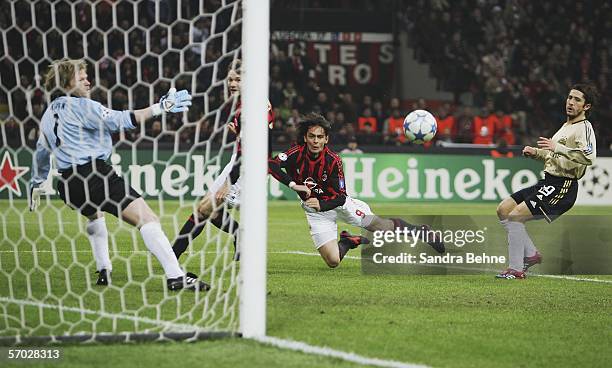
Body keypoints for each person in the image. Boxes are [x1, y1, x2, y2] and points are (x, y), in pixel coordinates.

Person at [29, 58, 209, 291]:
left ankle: (104, 269)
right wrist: (160, 107)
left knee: (95, 215)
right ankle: (175, 277)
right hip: (94, 175)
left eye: (87, 76)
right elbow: (120, 120)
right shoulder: (83, 106)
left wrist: (36, 182)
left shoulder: (47, 115)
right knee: (148, 219)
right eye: (81, 77)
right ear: (66, 83)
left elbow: (41, 153)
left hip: (67, 186)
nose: (88, 80)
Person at [269, 113, 445, 268]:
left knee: (381, 227)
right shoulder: (296, 153)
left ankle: (420, 231)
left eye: (320, 137)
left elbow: (340, 197)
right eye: (312, 136)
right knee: (333, 262)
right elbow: (271, 164)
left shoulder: (333, 160)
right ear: (306, 138)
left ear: (326, 139)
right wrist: (294, 185)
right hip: (315, 213)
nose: (316, 141)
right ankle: (347, 241)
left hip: (340, 206)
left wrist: (321, 204)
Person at [172, 59, 274, 261]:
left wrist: (228, 182)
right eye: (230, 80)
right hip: (239, 160)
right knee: (204, 209)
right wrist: (237, 134)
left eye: (238, 79)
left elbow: (258, 148)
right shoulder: (243, 103)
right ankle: (174, 254)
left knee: (207, 208)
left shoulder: (254, 105)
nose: (232, 84)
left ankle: (173, 254)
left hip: (249, 168)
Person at [495, 84, 598, 279]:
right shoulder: (566, 126)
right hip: (548, 181)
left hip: (563, 185)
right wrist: (537, 153)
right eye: (570, 97)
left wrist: (557, 148)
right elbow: (555, 155)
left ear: (586, 107)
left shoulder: (584, 128)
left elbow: (590, 157)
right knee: (503, 209)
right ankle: (531, 254)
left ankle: (516, 270)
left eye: (577, 100)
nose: (571, 102)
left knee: (516, 216)